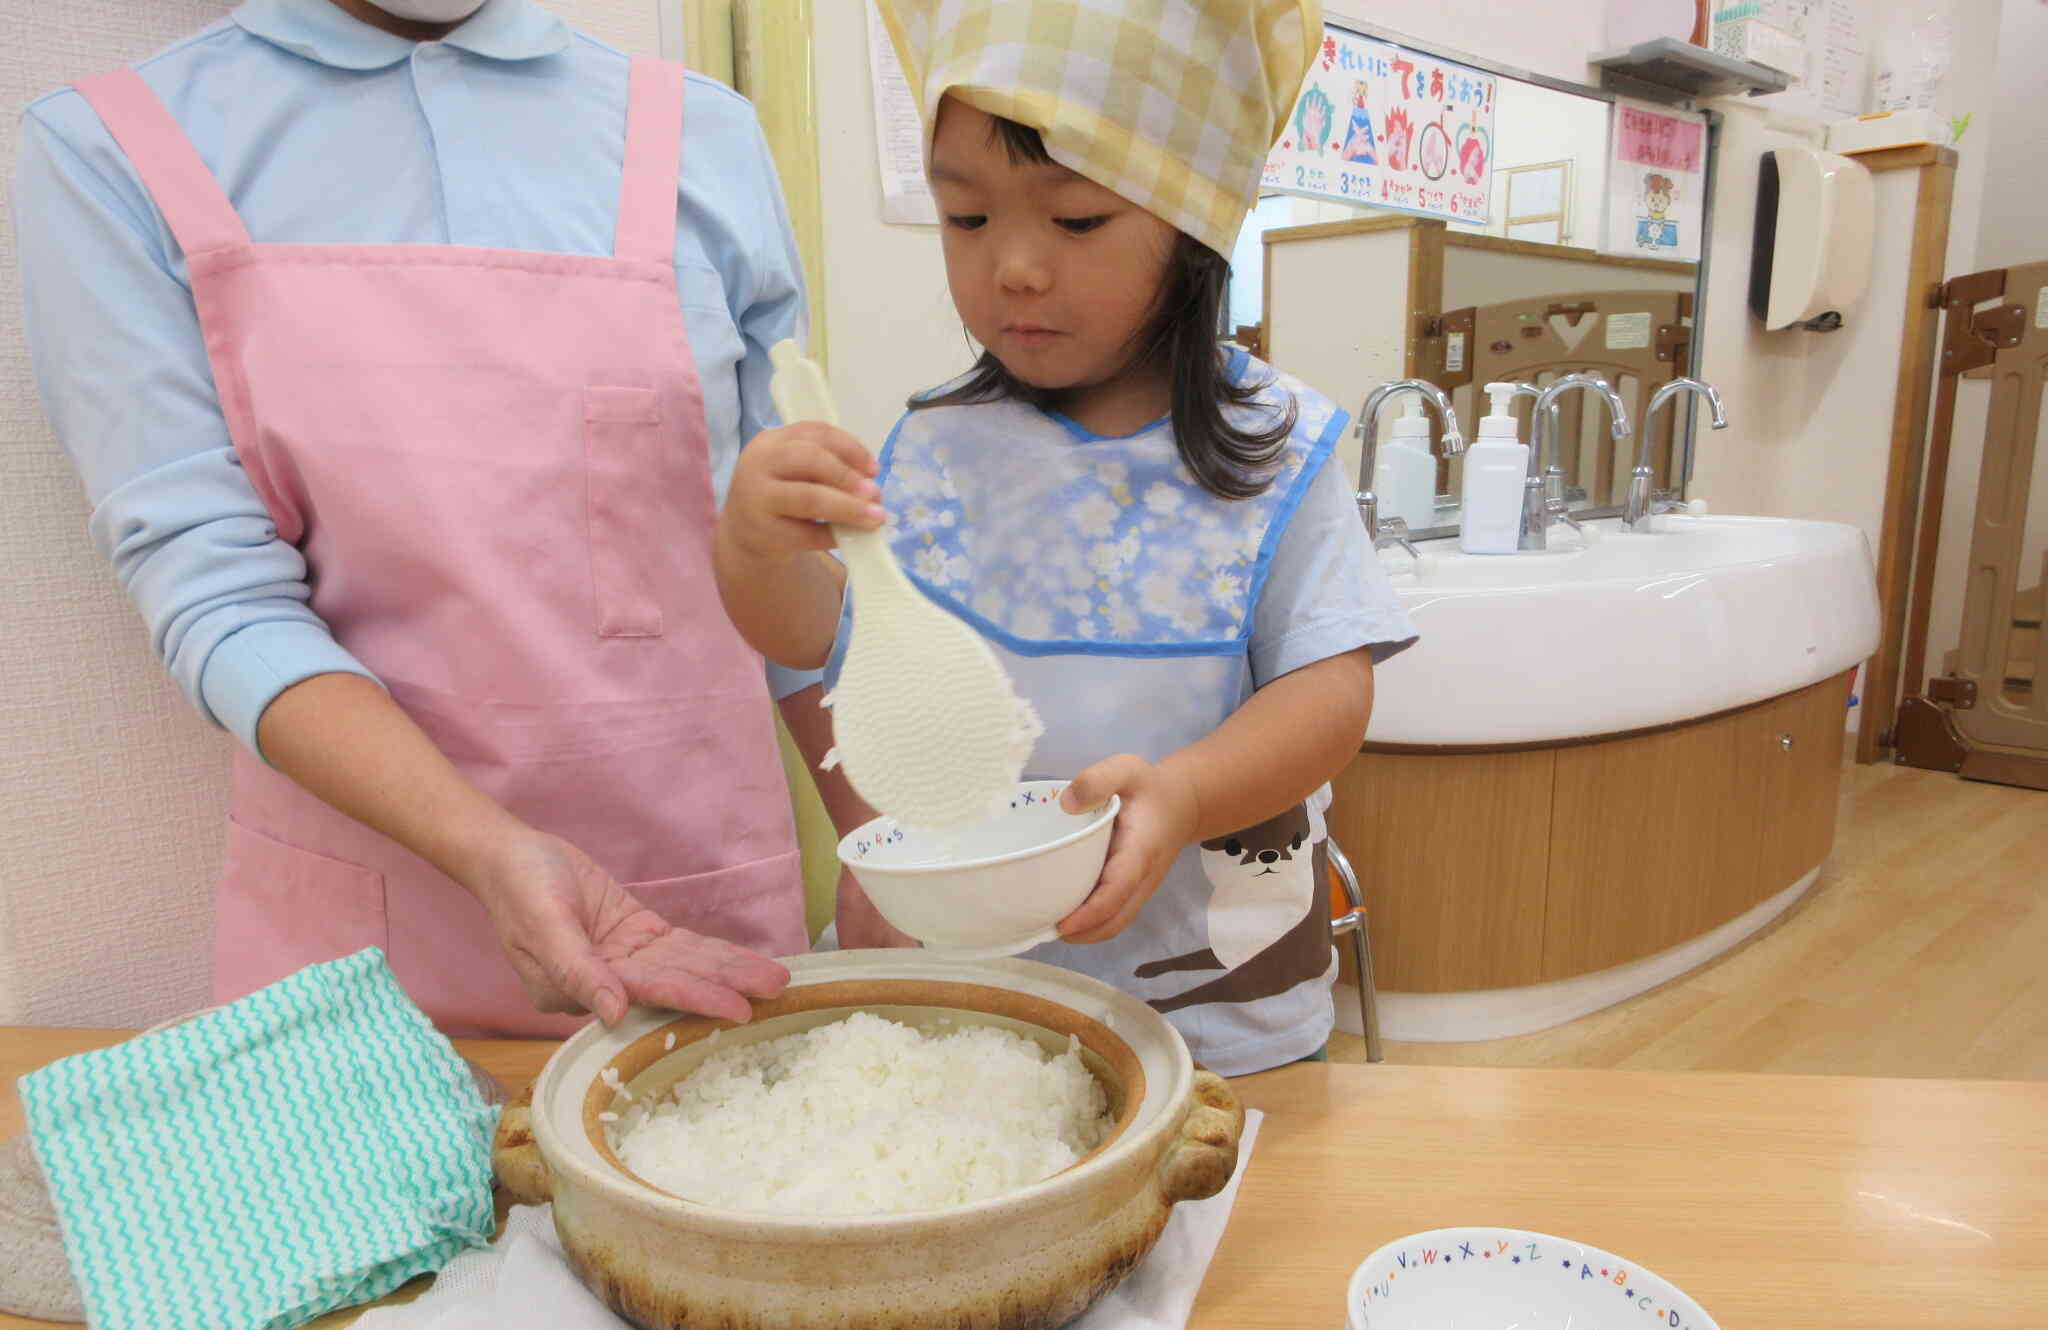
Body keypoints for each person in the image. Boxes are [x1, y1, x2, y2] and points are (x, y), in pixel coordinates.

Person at [15, 0, 899, 1039]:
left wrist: (878, 843)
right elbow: (218, 602)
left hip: (702, 920)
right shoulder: (116, 148)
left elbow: (786, 549)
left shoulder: (700, 133)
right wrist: (491, 852)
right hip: (359, 975)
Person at [714, 0, 1418, 1075]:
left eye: (1075, 220)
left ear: (1191, 225)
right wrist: (757, 550)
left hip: (1218, 1016)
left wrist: (1182, 794)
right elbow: (825, 644)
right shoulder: (938, 441)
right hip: (974, 996)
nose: (1014, 268)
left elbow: (1329, 698)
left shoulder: (1280, 451)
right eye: (967, 219)